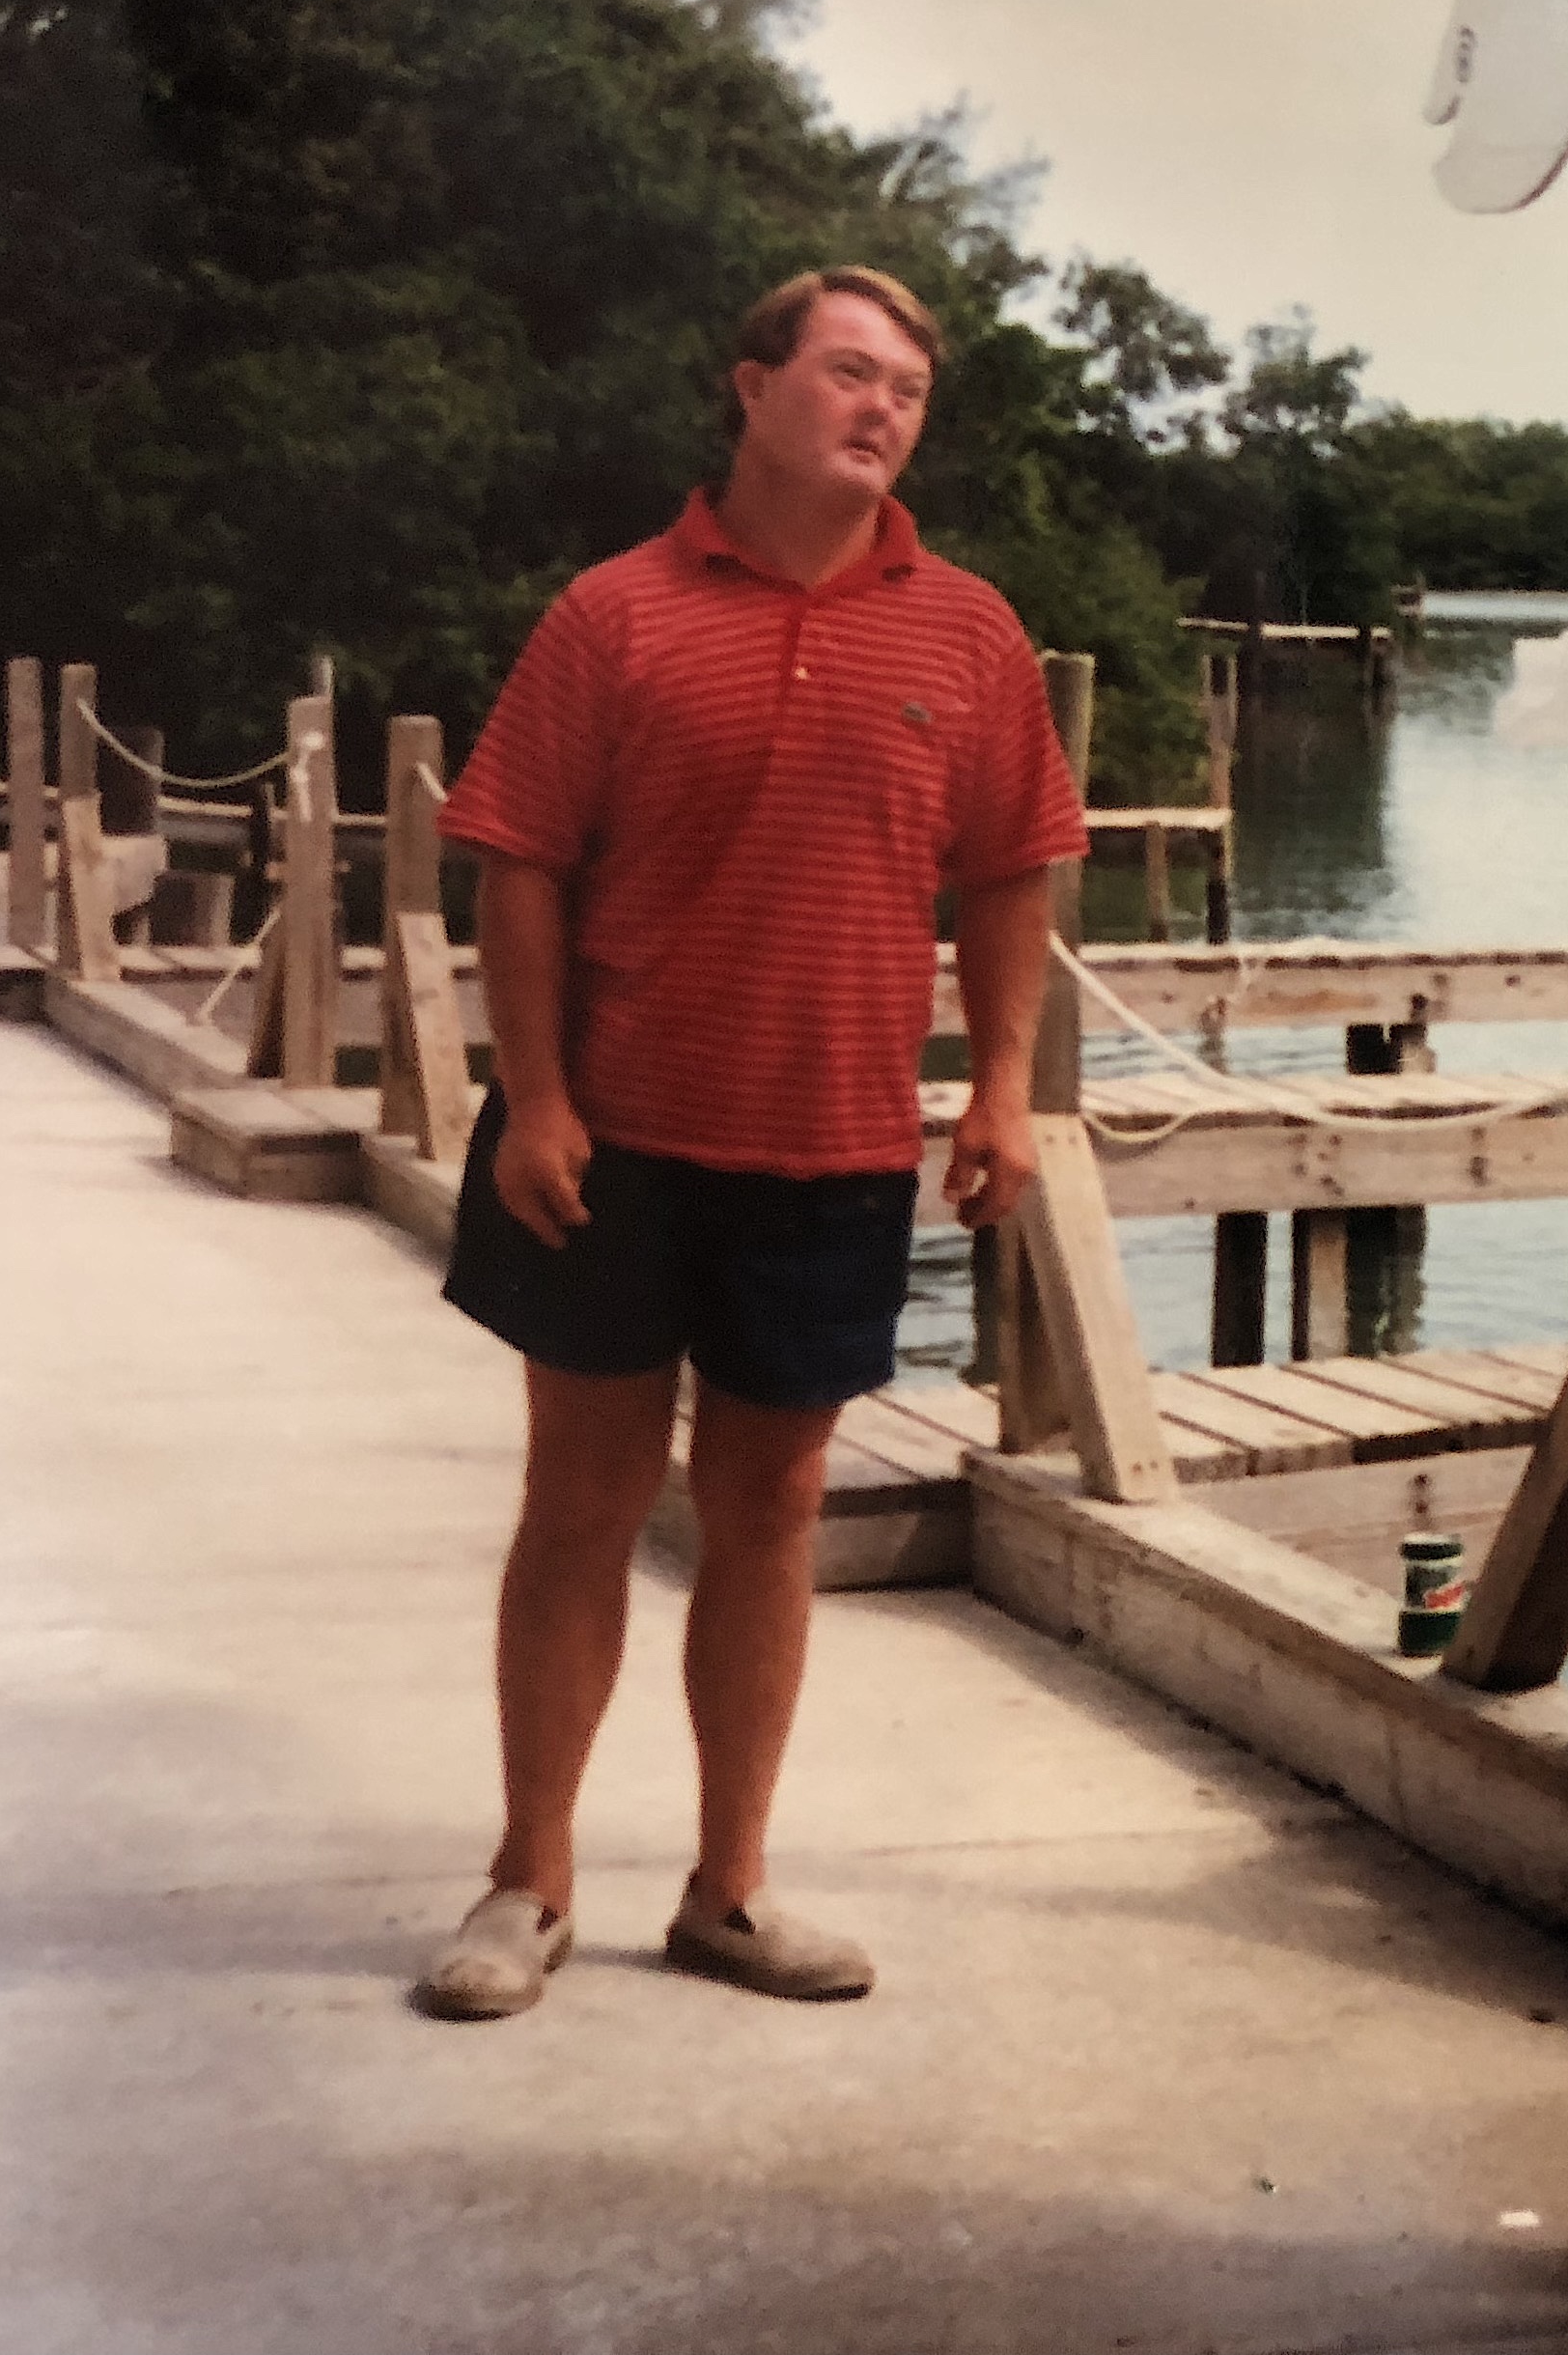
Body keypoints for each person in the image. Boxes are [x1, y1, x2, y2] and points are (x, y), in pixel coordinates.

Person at [412, 266, 1088, 2021]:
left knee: (770, 1510)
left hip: (836, 1141)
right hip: (614, 1137)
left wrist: (1004, 1086)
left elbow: (1014, 865)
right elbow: (520, 864)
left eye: (911, 393)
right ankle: (527, 1884)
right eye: (850, 372)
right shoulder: (614, 616)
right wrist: (536, 1096)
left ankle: (729, 1891)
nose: (882, 409)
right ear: (752, 387)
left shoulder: (970, 630)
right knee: (580, 1503)